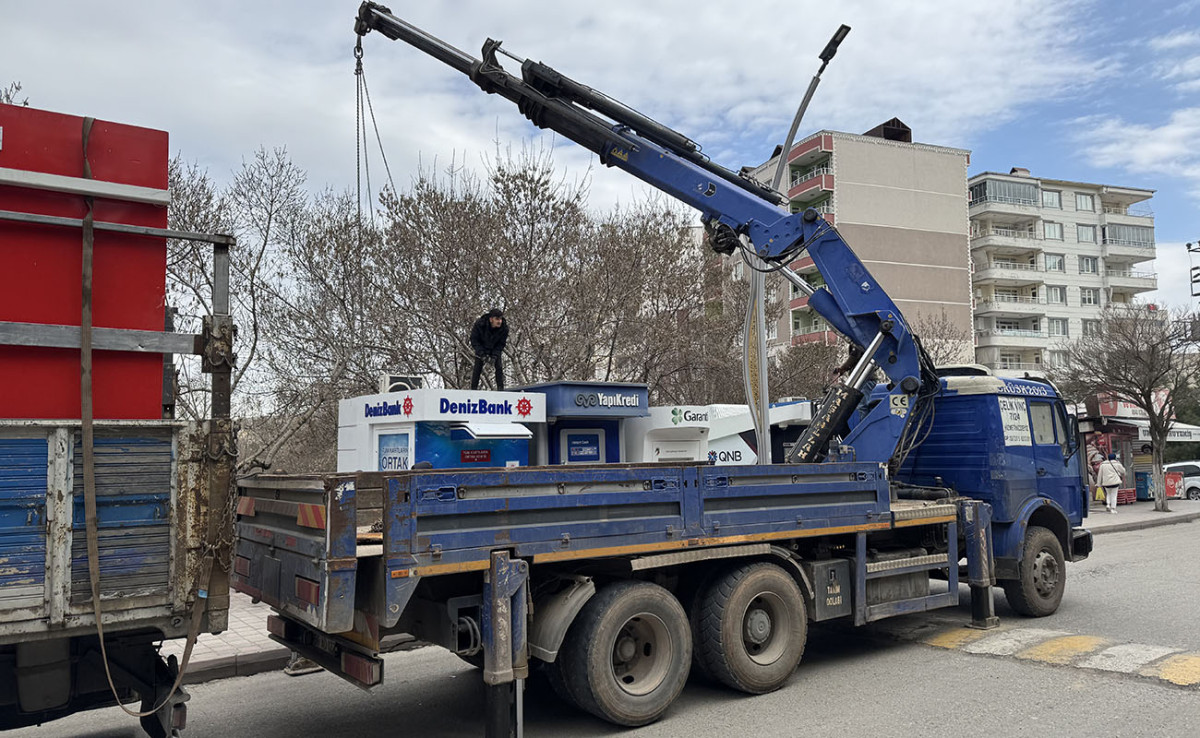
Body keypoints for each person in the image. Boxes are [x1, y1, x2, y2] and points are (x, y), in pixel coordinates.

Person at [470, 308, 508, 390]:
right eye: (497, 319)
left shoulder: (504, 328)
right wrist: (482, 354)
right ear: (491, 319)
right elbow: (474, 340)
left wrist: (494, 355)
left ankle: (501, 389)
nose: (499, 321)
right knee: (477, 367)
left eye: (500, 319)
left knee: (499, 366)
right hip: (482, 346)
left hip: (494, 348)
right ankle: (473, 389)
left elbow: (501, 344)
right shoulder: (480, 324)